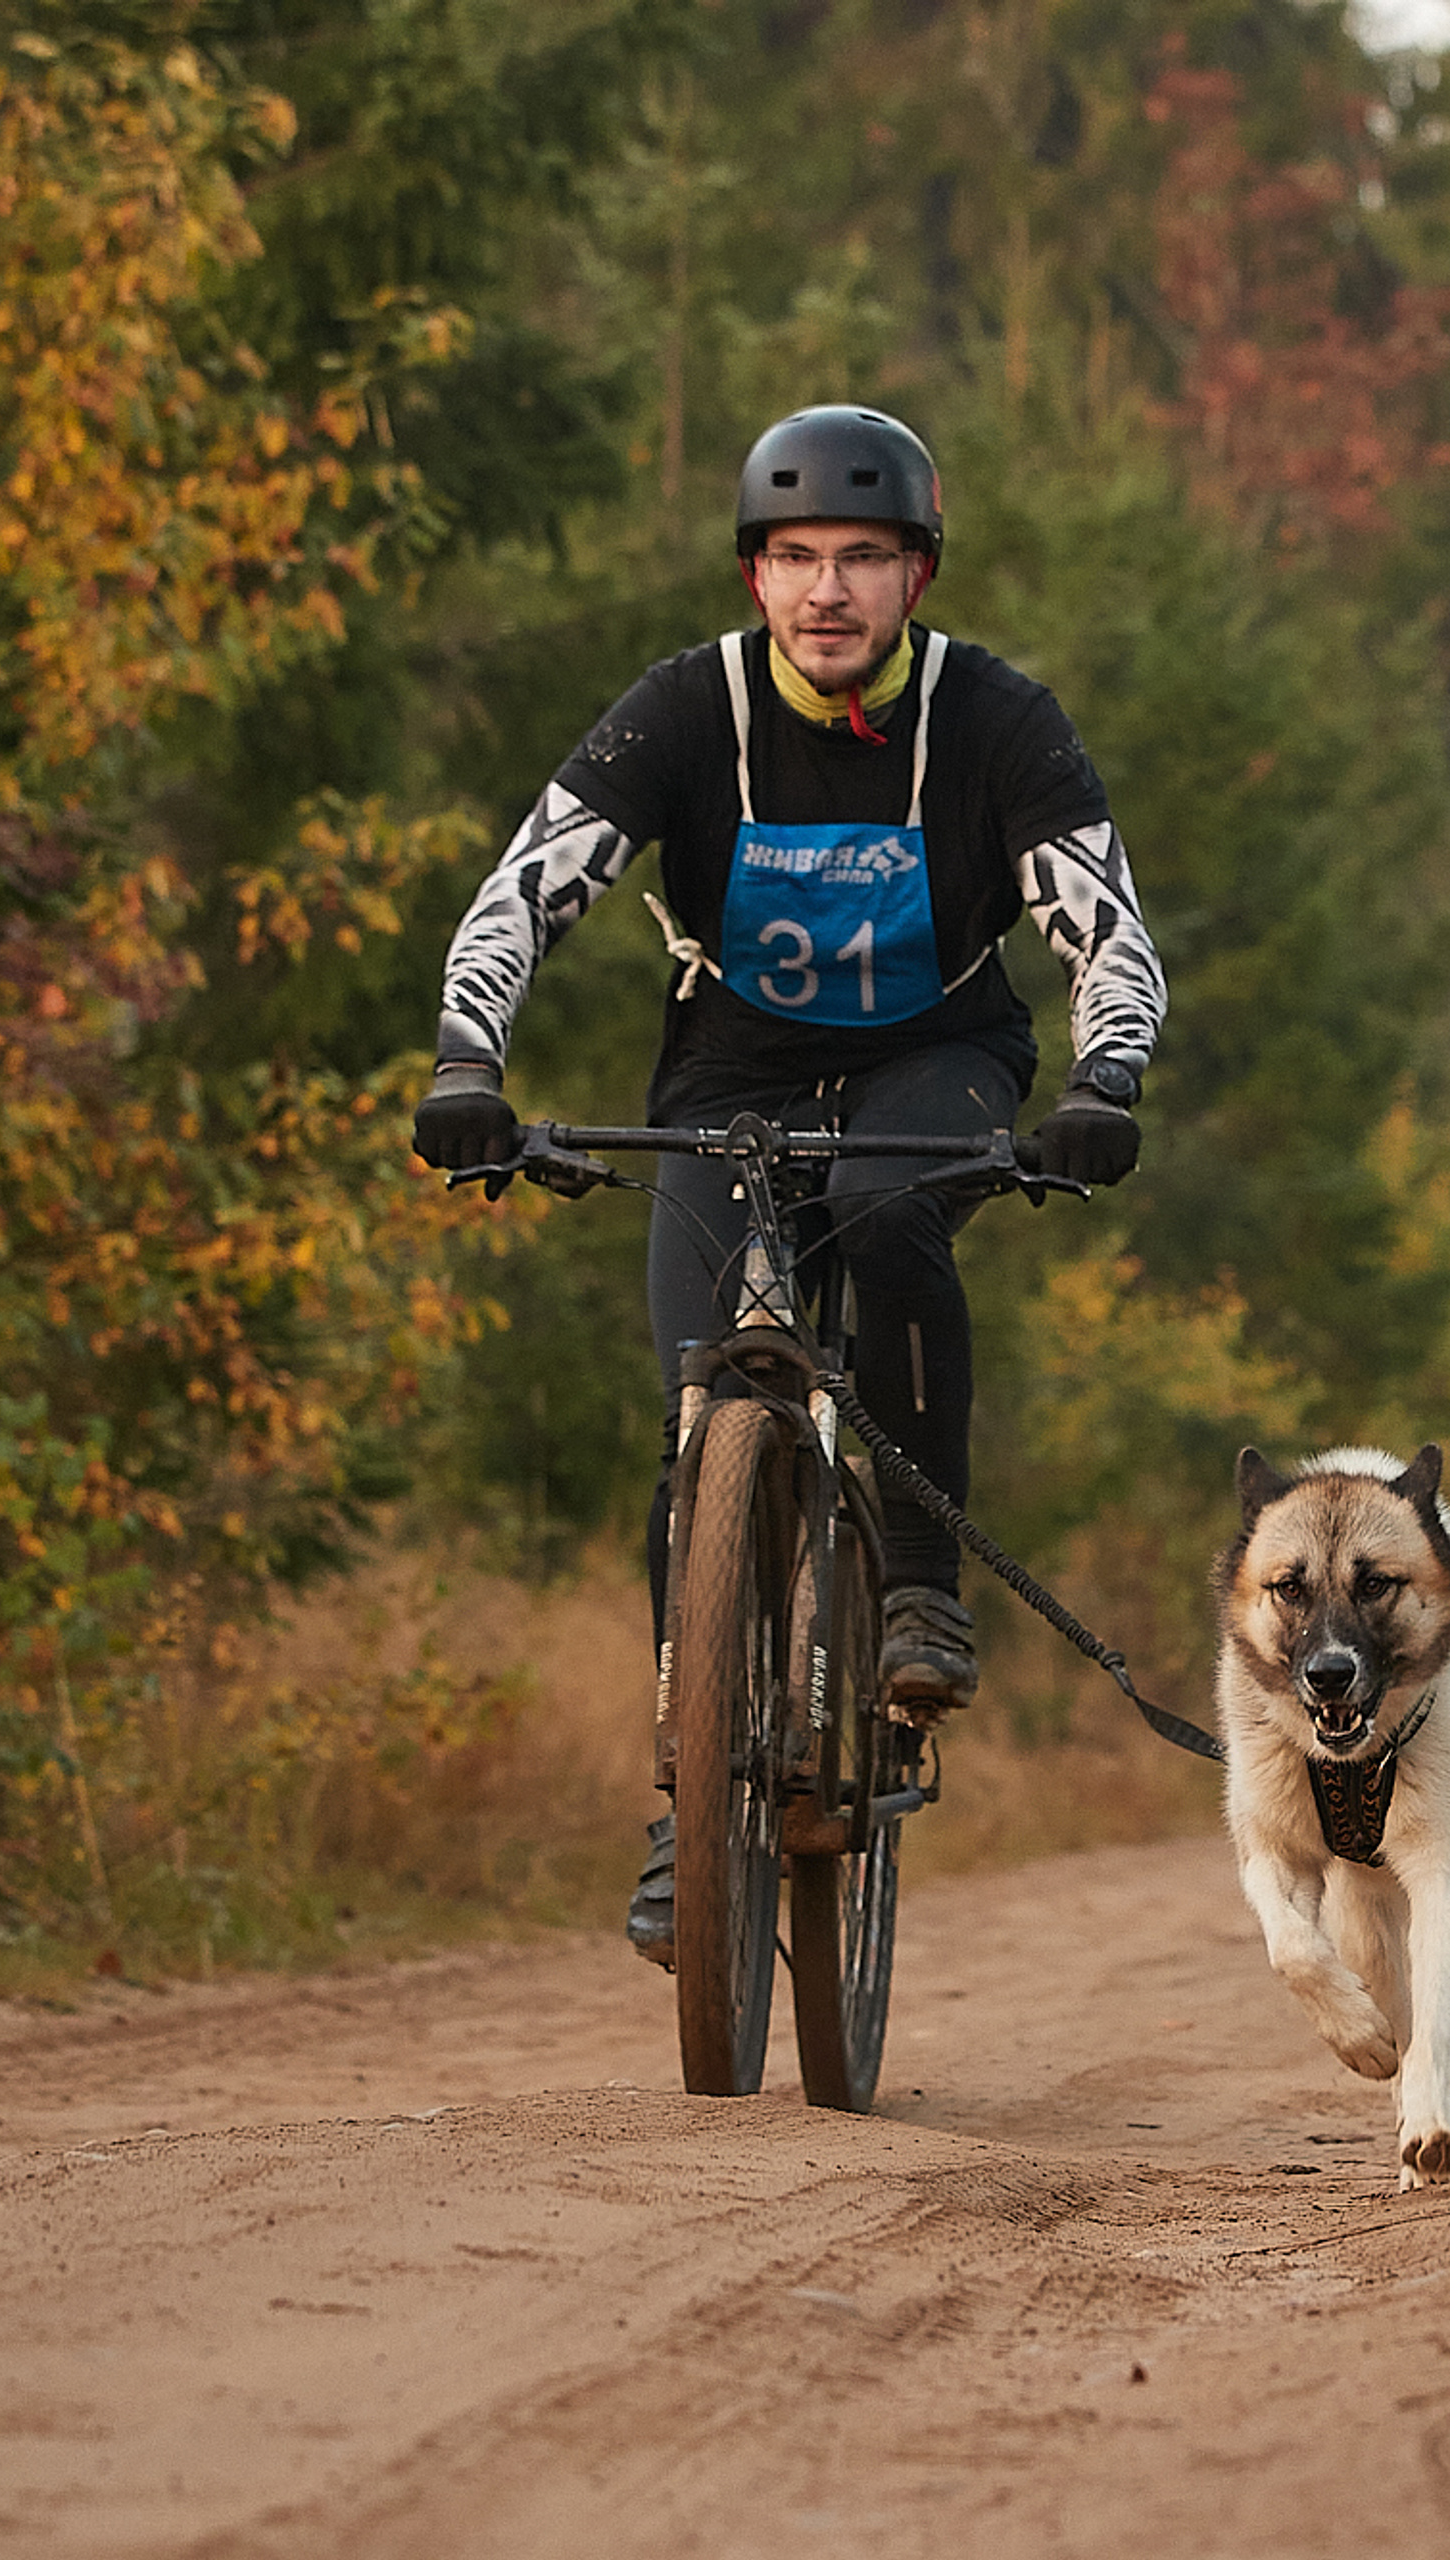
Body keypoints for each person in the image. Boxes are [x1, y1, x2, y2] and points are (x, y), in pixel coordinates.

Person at [411, 404, 1167, 1963]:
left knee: (892, 1218)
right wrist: (467, 1065)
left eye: (866, 559)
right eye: (798, 557)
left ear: (918, 577)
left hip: (937, 1061)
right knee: (702, 1413)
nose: (829, 591)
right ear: (755, 576)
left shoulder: (1000, 720)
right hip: (727, 1082)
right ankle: (686, 1796)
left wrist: (1106, 1078)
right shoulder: (686, 712)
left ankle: (918, 1587)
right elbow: (522, 896)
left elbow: (1104, 925)